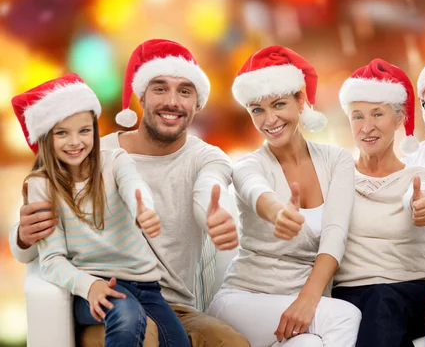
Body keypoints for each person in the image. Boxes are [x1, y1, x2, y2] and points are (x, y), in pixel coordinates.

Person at [10, 39, 249, 347]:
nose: (172, 101)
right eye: (160, 88)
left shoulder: (207, 157)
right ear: (141, 95)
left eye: (185, 91)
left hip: (172, 307)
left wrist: (212, 214)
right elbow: (29, 249)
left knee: (231, 343)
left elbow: (209, 187)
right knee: (140, 333)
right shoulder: (93, 152)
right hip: (105, 301)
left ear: (198, 103)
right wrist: (24, 235)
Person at [11, 73, 189, 347]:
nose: (75, 142)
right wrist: (89, 286)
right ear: (46, 137)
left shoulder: (115, 161)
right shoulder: (42, 185)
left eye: (84, 130)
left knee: (178, 342)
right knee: (127, 316)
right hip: (92, 284)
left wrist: (143, 208)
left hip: (147, 286)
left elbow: (134, 185)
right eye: (62, 133)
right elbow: (51, 260)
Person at [208, 45, 361, 347]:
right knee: (345, 317)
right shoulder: (249, 165)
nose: (269, 120)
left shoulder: (337, 161)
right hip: (244, 301)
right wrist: (278, 212)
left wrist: (307, 298)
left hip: (298, 306)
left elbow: (335, 235)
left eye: (278, 104)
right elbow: (256, 192)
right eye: (257, 110)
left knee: (310, 345)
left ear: (300, 100)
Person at [331, 59, 425, 347]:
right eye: (357, 116)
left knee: (382, 301)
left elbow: (421, 195)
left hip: (411, 290)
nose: (366, 127)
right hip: (349, 293)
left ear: (399, 118)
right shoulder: (336, 178)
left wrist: (420, 204)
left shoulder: (418, 177)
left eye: (377, 114)